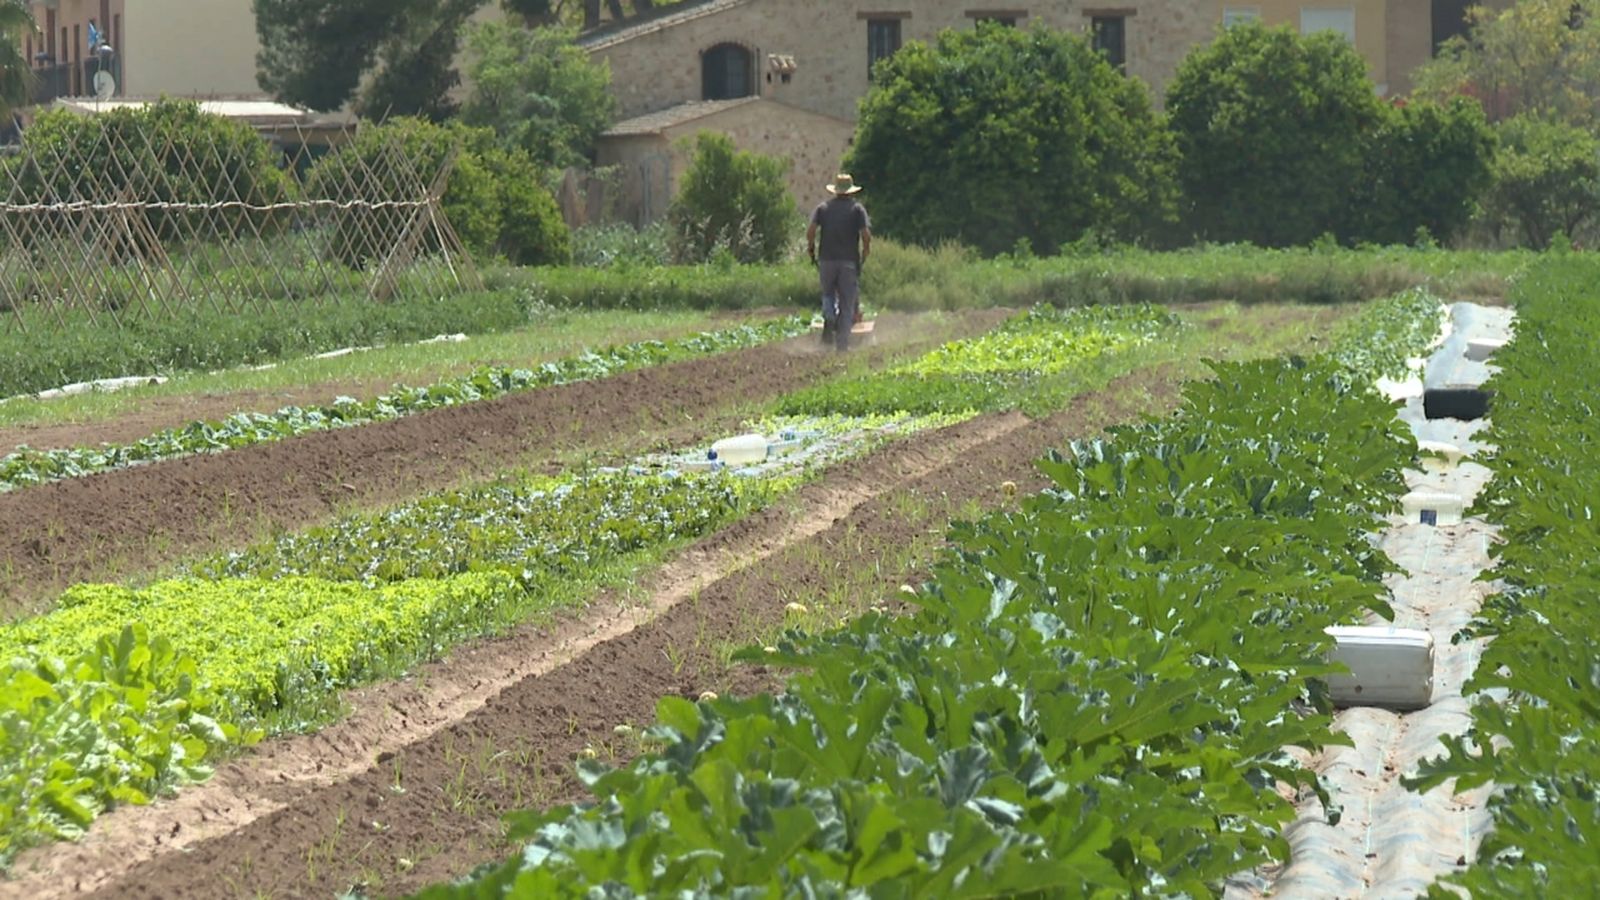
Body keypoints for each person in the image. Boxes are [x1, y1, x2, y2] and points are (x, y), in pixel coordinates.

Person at [807, 173, 871, 351]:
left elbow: (811, 231)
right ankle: (842, 345)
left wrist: (811, 248)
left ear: (835, 190)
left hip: (826, 260)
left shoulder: (823, 208)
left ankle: (829, 315)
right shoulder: (857, 209)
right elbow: (866, 235)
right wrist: (865, 252)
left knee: (828, 294)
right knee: (847, 301)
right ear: (851, 191)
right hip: (849, 262)